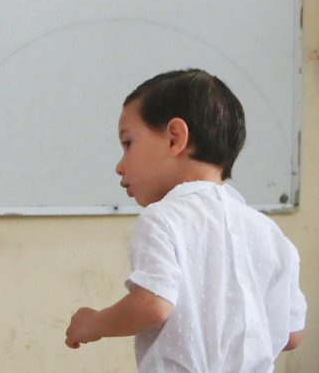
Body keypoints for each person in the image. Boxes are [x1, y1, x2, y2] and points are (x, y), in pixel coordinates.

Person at [65, 69, 306, 371]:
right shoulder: (269, 231)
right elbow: (291, 335)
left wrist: (94, 324)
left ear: (174, 138)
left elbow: (153, 304)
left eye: (128, 144)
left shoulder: (163, 218)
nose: (119, 165)